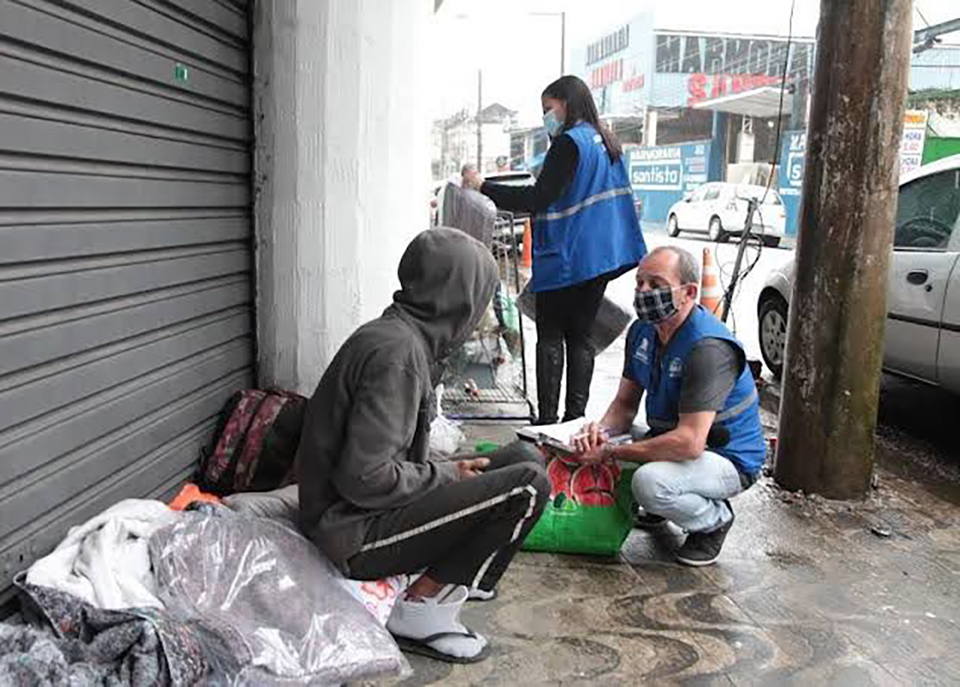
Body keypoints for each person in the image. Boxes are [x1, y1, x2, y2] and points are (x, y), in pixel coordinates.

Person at [297, 228, 551, 664]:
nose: (480, 314)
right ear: (457, 297)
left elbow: (387, 456)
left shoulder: (400, 337)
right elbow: (365, 477)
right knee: (526, 486)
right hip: (352, 534)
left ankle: (458, 576)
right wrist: (448, 474)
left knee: (523, 456)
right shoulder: (397, 356)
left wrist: (448, 470)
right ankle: (421, 606)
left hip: (364, 511)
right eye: (480, 297)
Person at [467, 75, 646, 425]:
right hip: (602, 257)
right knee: (580, 335)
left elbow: (536, 198)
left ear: (567, 102)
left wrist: (483, 186)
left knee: (550, 334)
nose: (546, 117)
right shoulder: (606, 141)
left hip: (569, 255)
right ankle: (575, 419)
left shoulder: (568, 144)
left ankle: (548, 420)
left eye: (548, 109)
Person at [571, 246, 766, 567]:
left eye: (656, 285)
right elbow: (624, 404)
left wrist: (610, 452)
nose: (644, 292)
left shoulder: (708, 348)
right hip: (677, 440)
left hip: (727, 458)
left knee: (648, 483)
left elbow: (690, 443)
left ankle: (713, 521)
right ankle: (663, 505)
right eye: (640, 283)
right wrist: (600, 433)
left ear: (689, 292)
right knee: (590, 442)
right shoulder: (642, 332)